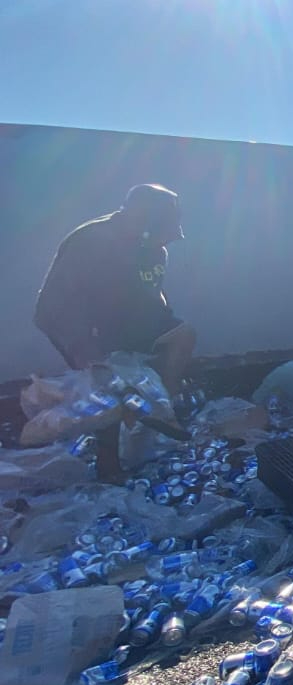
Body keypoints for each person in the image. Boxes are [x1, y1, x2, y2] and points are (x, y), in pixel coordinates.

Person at [34, 184, 198, 481]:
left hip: (127, 321)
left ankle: (163, 411)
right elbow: (53, 307)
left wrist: (167, 325)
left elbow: (154, 294)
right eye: (166, 231)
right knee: (109, 386)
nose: (170, 240)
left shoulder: (155, 250)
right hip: (81, 325)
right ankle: (108, 465)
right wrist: (83, 349)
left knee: (183, 334)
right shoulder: (91, 241)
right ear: (143, 222)